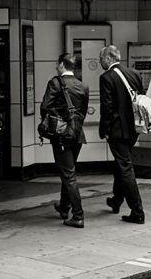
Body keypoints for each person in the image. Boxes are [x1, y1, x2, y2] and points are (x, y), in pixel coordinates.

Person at [41, 53, 89, 228]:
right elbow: (82, 113)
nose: (56, 67)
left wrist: (55, 123)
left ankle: (78, 215)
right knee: (68, 170)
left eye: (57, 64)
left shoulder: (55, 83)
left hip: (62, 136)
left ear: (62, 65)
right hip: (77, 135)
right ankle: (63, 206)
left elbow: (45, 107)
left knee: (69, 175)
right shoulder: (83, 86)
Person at [98, 45, 145, 224]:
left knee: (125, 167)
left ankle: (137, 211)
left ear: (109, 58)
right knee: (121, 164)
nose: (100, 61)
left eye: (101, 58)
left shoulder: (107, 78)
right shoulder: (134, 74)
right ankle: (116, 200)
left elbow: (107, 108)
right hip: (134, 129)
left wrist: (104, 131)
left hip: (117, 131)